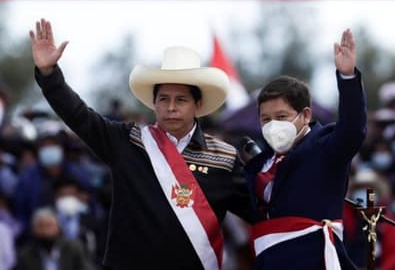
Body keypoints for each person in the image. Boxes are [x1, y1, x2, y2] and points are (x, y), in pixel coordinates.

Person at [29, 18, 252, 269]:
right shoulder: (128, 141)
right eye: (163, 99)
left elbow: (259, 210)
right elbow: (79, 115)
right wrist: (49, 75)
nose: (170, 107)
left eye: (181, 100)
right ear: (153, 103)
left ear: (197, 105)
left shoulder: (224, 156)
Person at [244, 29, 367, 269]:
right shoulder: (259, 164)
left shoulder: (325, 148)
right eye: (266, 119)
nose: (273, 126)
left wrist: (348, 77)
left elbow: (353, 129)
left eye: (281, 116)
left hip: (315, 261)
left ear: (305, 115)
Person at [16, 207, 93, 270]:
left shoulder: (74, 248)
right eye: (42, 226)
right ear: (34, 230)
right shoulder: (26, 255)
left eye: (49, 226)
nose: (46, 231)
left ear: (58, 228)